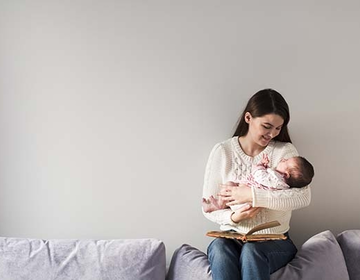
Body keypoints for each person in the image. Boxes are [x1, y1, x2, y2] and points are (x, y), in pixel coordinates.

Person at [202, 88, 312, 280]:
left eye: (278, 128)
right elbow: (207, 207)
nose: (272, 134)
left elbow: (303, 197)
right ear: (248, 118)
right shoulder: (223, 151)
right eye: (267, 126)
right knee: (219, 248)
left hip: (274, 240)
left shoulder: (284, 151)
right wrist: (234, 217)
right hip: (232, 235)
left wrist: (250, 195)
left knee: (252, 252)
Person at [202, 153, 314, 213]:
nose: (283, 159)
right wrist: (233, 219)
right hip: (242, 211)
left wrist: (260, 166)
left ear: (286, 175)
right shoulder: (280, 182)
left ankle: (220, 204)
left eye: (285, 161)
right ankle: (219, 204)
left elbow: (260, 176)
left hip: (245, 204)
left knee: (230, 185)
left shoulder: (276, 178)